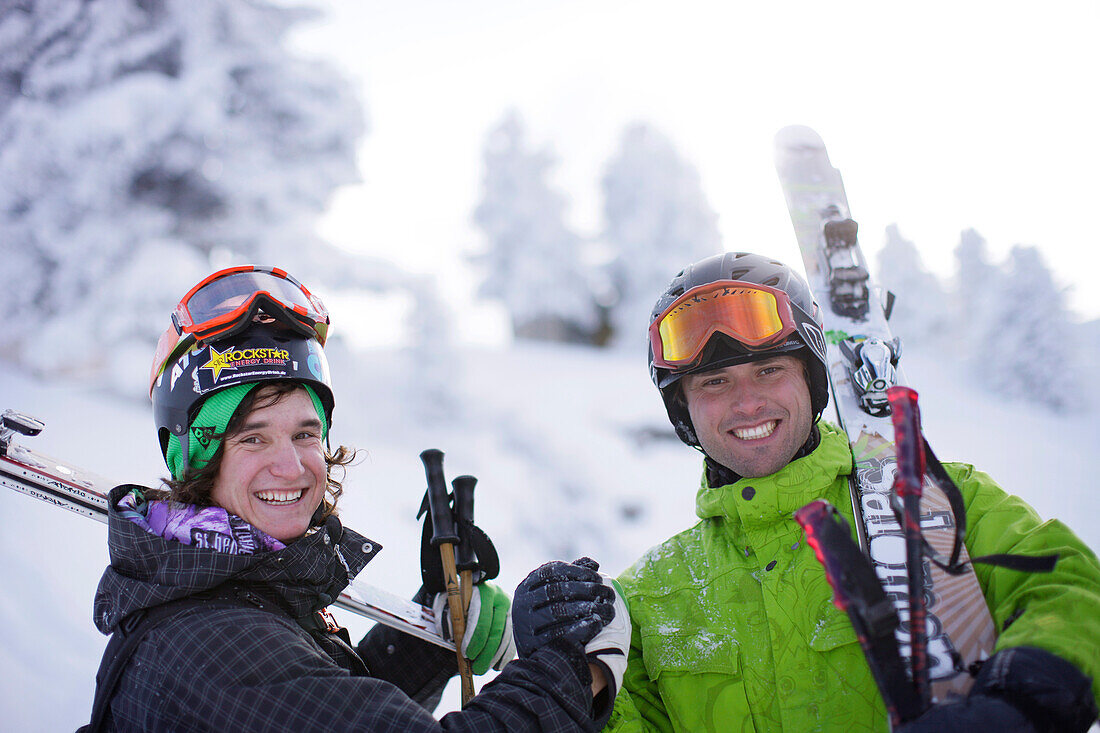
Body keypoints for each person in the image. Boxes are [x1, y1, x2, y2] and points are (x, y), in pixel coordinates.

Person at [88, 265, 629, 732]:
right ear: (197, 459)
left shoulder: (220, 591)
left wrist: (424, 638)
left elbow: (325, 704)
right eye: (253, 437)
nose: (293, 465)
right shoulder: (212, 644)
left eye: (305, 434)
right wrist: (574, 669)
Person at [604, 252, 1100, 732]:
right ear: (683, 410)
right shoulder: (649, 596)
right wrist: (572, 689)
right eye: (714, 382)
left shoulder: (938, 500)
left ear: (813, 379)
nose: (747, 402)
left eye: (769, 369)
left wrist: (1022, 702)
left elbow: (1071, 590)